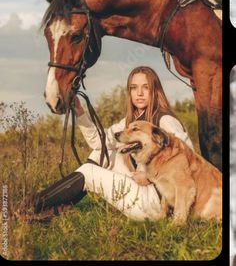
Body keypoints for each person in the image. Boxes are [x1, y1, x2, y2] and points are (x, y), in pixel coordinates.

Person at [31, 66, 193, 221]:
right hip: (142, 189)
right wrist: (80, 112)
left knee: (88, 172)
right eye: (134, 88)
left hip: (157, 203)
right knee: (102, 154)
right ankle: (52, 209)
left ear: (155, 90)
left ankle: (30, 206)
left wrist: (150, 176)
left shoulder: (164, 120)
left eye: (146, 87)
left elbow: (188, 159)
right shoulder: (132, 122)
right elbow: (99, 143)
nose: (139, 93)